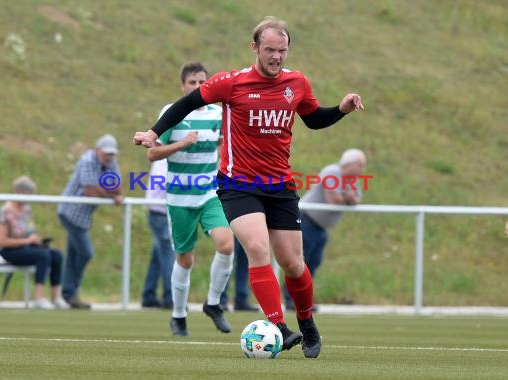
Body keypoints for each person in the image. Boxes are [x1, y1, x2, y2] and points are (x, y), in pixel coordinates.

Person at [133, 16, 364, 358]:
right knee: (257, 249)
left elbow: (314, 118)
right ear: (255, 48)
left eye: (282, 51)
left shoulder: (297, 83)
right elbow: (187, 103)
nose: (276, 57)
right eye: (270, 49)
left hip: (280, 185)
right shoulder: (232, 82)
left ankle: (307, 323)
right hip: (238, 184)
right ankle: (279, 327)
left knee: (293, 264)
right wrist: (153, 132)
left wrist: (341, 110)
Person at [146, 62, 234, 336]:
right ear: (183, 85)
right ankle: (179, 316)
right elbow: (153, 154)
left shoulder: (217, 113)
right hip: (180, 197)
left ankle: (213, 303)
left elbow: (225, 144)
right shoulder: (171, 114)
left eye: (202, 82)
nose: (197, 87)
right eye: (192, 83)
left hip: (209, 194)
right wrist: (182, 143)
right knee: (185, 260)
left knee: (227, 244)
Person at [284, 148, 366, 310]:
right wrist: (348, 198)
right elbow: (333, 199)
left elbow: (357, 199)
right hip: (307, 221)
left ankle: (302, 300)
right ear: (350, 164)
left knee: (313, 262)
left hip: (320, 227)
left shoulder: (352, 179)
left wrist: (350, 199)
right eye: (360, 165)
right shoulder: (333, 172)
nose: (362, 170)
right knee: (298, 263)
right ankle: (290, 300)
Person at [57, 134, 123, 309]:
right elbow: (90, 191)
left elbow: (118, 187)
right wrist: (109, 192)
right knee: (85, 253)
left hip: (83, 216)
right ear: (97, 150)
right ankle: (72, 289)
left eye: (111, 154)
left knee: (74, 255)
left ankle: (70, 293)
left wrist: (107, 190)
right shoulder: (87, 161)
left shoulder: (111, 163)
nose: (109, 157)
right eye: (106, 153)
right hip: (70, 212)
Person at [0, 176, 66, 310]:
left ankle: (56, 297)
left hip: (26, 247)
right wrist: (27, 240)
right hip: (9, 250)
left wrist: (35, 240)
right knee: (43, 255)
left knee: (56, 255)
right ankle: (38, 298)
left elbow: (28, 231)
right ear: (17, 192)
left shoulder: (26, 210)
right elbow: (2, 241)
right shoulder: (6, 211)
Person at [141, 158, 175, 309]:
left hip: (161, 211)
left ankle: (148, 294)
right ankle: (170, 297)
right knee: (168, 253)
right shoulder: (164, 159)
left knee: (158, 255)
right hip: (160, 212)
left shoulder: (164, 157)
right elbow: (163, 183)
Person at [220, 238, 259, 311]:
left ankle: (241, 300)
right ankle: (220, 300)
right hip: (231, 228)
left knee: (244, 260)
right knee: (227, 260)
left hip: (248, 228)